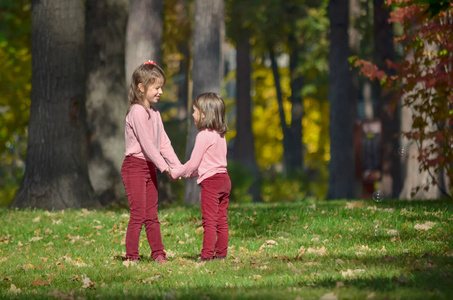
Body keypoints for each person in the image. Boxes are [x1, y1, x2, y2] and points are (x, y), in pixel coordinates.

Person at [121, 60, 181, 263]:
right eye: (156, 87)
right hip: (134, 167)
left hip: (149, 167)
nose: (160, 92)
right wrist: (165, 168)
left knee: (151, 215)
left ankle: (158, 254)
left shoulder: (155, 114)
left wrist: (178, 167)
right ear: (141, 87)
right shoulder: (137, 111)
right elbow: (147, 145)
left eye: (161, 87)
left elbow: (164, 143)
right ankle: (132, 257)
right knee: (138, 214)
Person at [170, 92, 231, 261]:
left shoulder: (203, 135)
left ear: (204, 114)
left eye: (195, 111)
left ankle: (206, 257)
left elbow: (194, 162)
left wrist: (178, 172)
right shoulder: (220, 135)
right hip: (224, 180)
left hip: (211, 184)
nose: (192, 115)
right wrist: (190, 173)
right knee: (221, 220)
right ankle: (221, 255)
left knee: (209, 222)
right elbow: (210, 163)